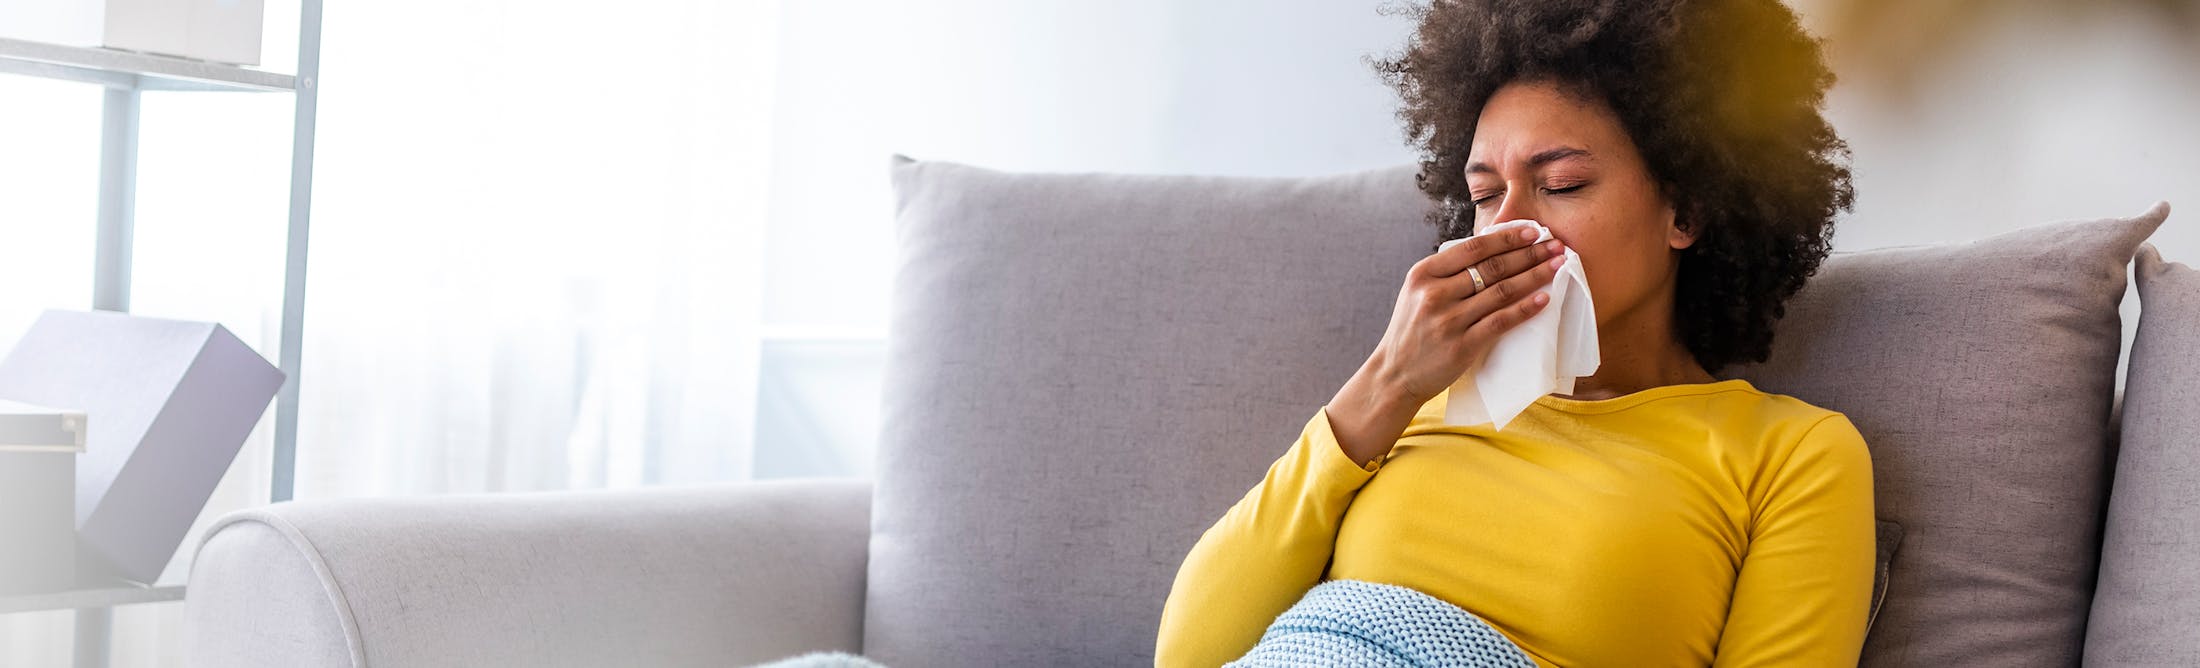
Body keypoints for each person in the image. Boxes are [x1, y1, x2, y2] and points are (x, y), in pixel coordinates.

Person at [1154, 0, 1874, 665]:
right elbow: (1189, 653)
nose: (1506, 227)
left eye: (1560, 185)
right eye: (1484, 195)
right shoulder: (1414, 404)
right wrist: (1390, 381)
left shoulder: (1789, 456)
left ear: (1684, 211)